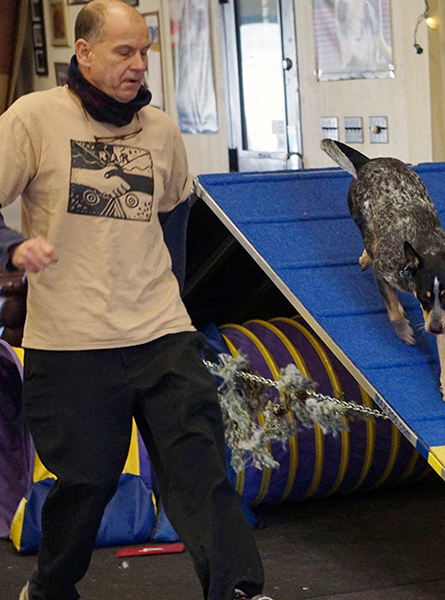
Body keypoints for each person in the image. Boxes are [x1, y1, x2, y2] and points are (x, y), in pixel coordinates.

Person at [0, 1, 271, 598]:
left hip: (160, 334)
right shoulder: (34, 118)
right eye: (124, 51)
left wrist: (174, 299)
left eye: (144, 51)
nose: (139, 65)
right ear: (86, 52)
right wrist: (12, 249)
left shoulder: (161, 130)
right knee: (87, 484)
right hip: (72, 344)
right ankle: (49, 586)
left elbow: (173, 214)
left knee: (200, 472)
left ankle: (239, 590)